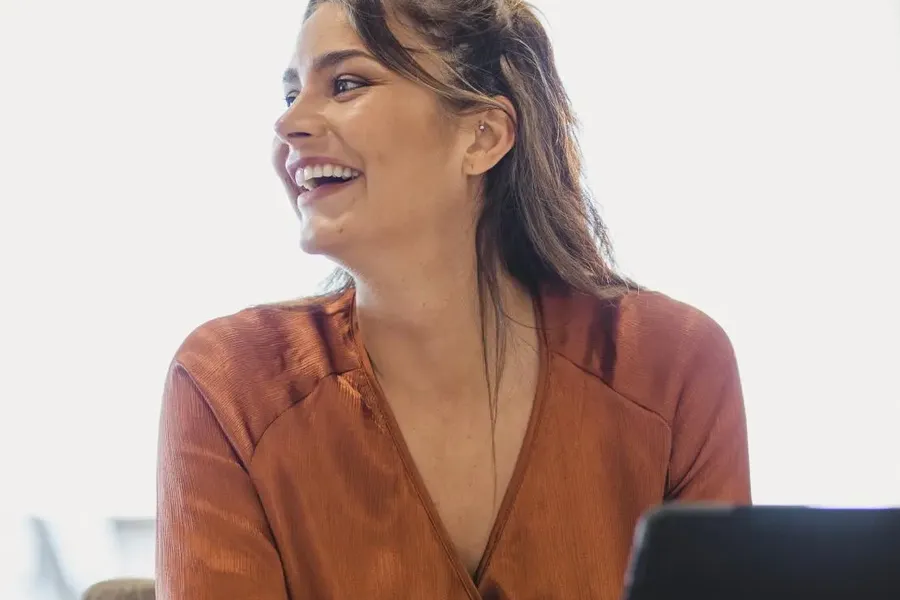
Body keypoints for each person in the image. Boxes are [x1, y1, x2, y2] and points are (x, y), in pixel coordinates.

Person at [155, 0, 751, 598]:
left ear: (483, 136)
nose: (289, 125)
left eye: (345, 83)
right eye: (290, 96)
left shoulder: (669, 366)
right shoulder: (231, 384)